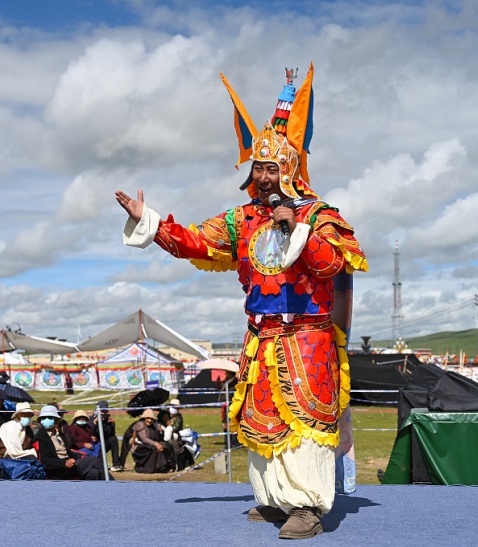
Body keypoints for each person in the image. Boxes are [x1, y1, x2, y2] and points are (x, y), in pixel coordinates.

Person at [115, 67, 367, 539]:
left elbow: (336, 262)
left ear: (290, 169)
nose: (265, 177)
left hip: (308, 337)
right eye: (258, 167)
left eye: (273, 168)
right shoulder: (241, 220)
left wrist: (297, 230)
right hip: (262, 337)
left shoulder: (320, 215)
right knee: (263, 416)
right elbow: (194, 240)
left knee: (307, 419)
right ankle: (274, 500)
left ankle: (307, 507)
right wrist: (148, 221)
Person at [33, 405, 104, 480]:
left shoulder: (60, 435)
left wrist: (80, 458)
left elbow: (69, 452)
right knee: (93, 460)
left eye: (50, 417)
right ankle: (112, 485)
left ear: (56, 420)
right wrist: (64, 463)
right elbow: (45, 460)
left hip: (71, 464)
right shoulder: (40, 437)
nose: (46, 420)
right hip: (59, 469)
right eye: (43, 418)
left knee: (94, 472)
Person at [130, 409, 173, 474]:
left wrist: (160, 431)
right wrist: (156, 444)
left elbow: (157, 438)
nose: (149, 420)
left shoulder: (154, 425)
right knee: (153, 448)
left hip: (149, 444)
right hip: (139, 446)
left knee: (166, 445)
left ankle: (162, 467)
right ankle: (147, 469)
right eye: (148, 418)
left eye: (151, 419)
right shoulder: (140, 424)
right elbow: (144, 439)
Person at [92, 401, 123, 472]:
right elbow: (90, 433)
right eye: (102, 411)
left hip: (104, 443)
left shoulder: (108, 419)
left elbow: (111, 434)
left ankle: (116, 464)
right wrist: (95, 423)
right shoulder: (92, 419)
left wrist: (112, 425)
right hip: (94, 445)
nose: (104, 413)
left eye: (105, 411)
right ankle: (101, 462)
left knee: (113, 439)